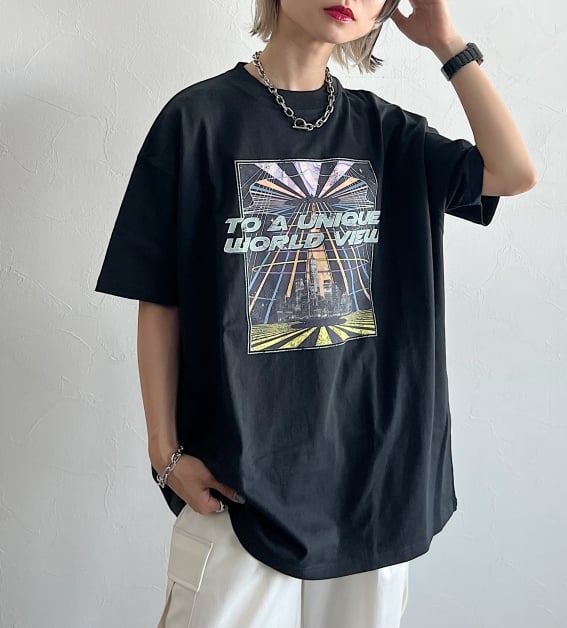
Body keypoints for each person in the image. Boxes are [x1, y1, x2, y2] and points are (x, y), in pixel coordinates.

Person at [94, 0, 537, 626]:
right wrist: (163, 452)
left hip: (376, 485)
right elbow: (159, 293)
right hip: (238, 485)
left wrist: (447, 43)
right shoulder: (198, 120)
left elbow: (511, 173)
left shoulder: (388, 133)